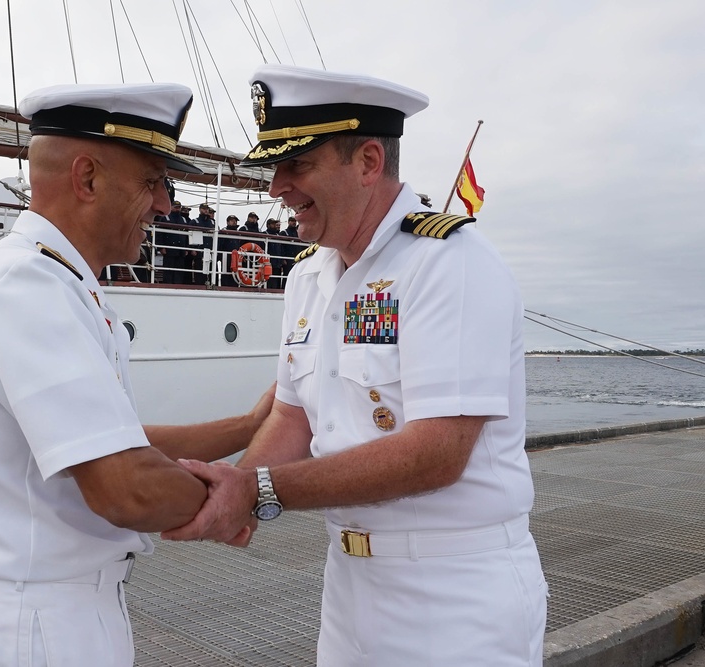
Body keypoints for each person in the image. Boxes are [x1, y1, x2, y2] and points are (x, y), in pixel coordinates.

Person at [162, 64, 547, 666]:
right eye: (275, 167)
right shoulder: (309, 276)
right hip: (349, 587)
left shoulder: (450, 264)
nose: (276, 188)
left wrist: (258, 490)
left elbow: (437, 452)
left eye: (297, 165)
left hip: (455, 592)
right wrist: (237, 495)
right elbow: (293, 415)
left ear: (368, 162)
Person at [0, 81, 272, 667]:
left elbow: (117, 444)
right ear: (86, 179)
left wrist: (250, 426)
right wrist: (242, 496)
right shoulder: (28, 288)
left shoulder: (55, 283)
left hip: (48, 616)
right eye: (152, 181)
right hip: (34, 626)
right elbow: (125, 484)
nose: (165, 204)